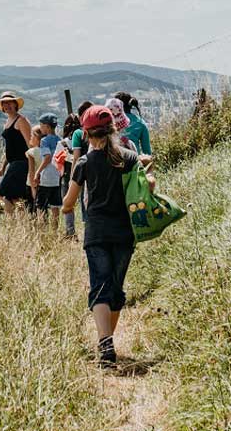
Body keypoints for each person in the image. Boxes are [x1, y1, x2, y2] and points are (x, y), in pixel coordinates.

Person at [62, 105, 150, 368]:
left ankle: (105, 344)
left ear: (86, 134)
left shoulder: (85, 163)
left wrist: (68, 205)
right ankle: (107, 340)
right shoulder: (129, 158)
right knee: (116, 289)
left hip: (97, 232)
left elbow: (68, 203)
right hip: (125, 233)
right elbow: (148, 186)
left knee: (99, 287)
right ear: (114, 129)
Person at [0, 91, 36, 217]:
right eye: (4, 103)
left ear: (16, 104)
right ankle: (21, 222)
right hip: (13, 164)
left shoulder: (21, 120)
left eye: (9, 102)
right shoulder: (8, 121)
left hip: (22, 163)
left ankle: (14, 223)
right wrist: (3, 167)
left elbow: (30, 146)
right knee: (15, 198)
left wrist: (32, 168)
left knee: (3, 195)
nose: (6, 105)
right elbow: (11, 148)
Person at [34, 113, 63, 232]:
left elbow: (47, 158)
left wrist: (38, 172)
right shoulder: (60, 141)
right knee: (55, 206)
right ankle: (55, 230)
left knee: (41, 206)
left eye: (41, 125)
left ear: (46, 126)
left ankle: (43, 229)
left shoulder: (44, 141)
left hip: (46, 178)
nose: (40, 128)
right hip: (57, 177)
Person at [58, 114, 81, 239]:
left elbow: (56, 162)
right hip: (85, 174)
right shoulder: (83, 140)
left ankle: (70, 231)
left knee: (68, 204)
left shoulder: (62, 143)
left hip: (67, 175)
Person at [113, 91, 153, 161]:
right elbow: (147, 152)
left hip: (114, 161)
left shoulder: (110, 122)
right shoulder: (140, 122)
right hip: (134, 162)